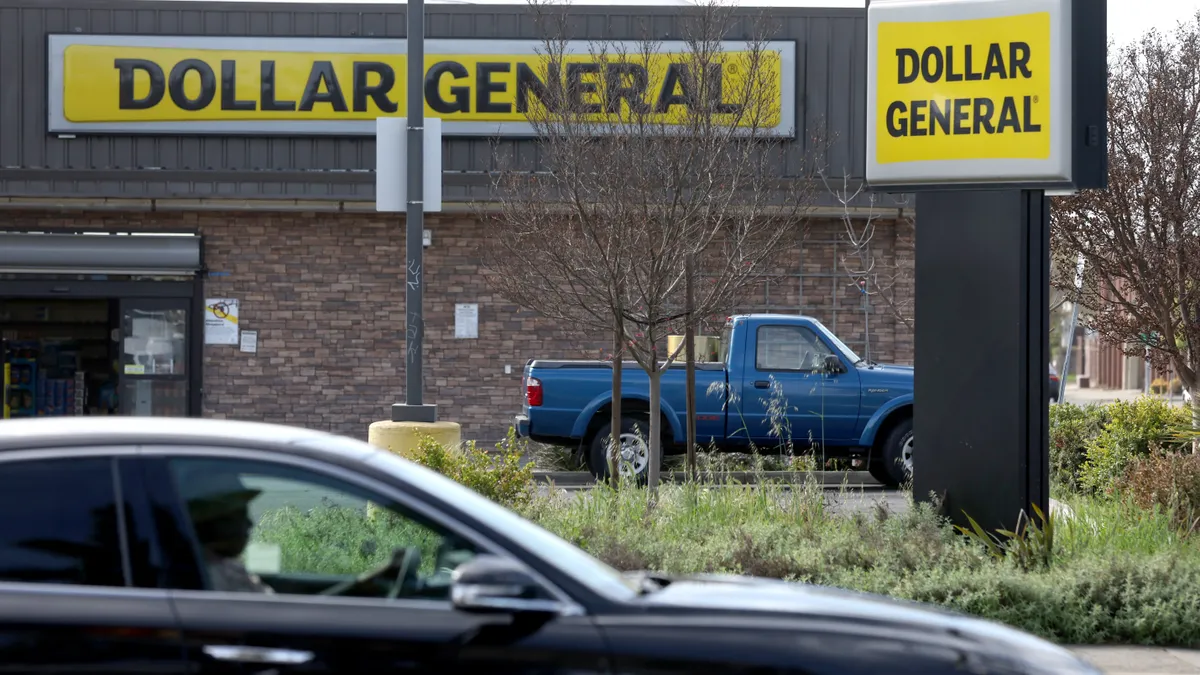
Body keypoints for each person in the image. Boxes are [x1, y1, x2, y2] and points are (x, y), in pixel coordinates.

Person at [178, 470, 274, 594]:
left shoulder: (221, 570)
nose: (250, 523)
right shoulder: (214, 579)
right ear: (218, 521)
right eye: (240, 515)